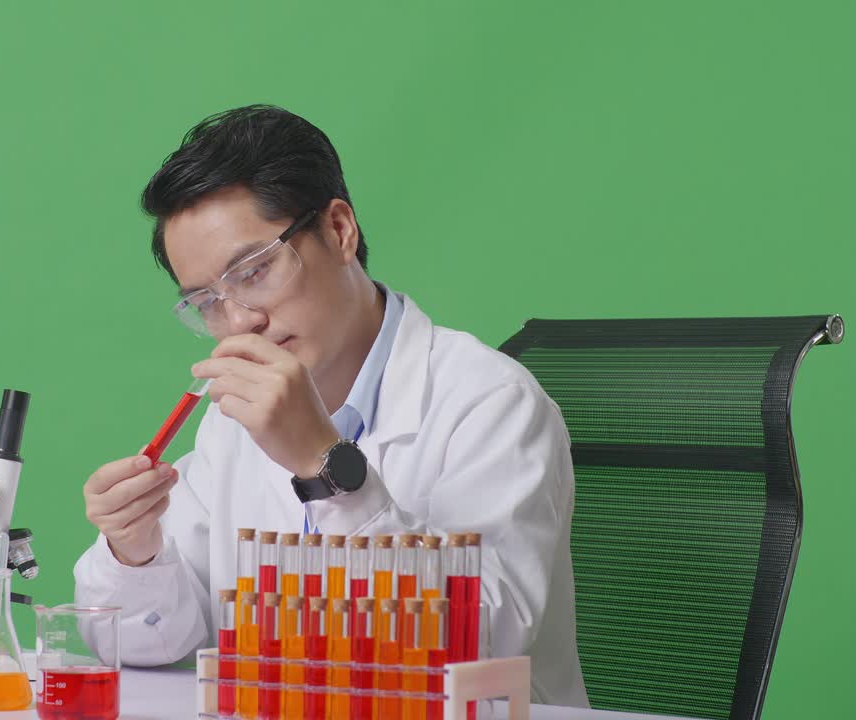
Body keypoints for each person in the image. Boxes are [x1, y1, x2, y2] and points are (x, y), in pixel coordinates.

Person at [75, 104, 589, 707]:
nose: (240, 319)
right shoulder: (233, 421)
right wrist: (136, 552)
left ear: (340, 230)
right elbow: (153, 642)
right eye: (207, 301)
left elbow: (479, 649)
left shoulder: (490, 403)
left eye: (254, 269)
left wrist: (327, 467)